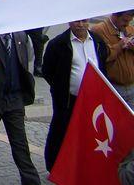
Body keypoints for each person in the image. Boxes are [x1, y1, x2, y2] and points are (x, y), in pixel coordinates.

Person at [0, 31, 41, 185]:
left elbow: (27, 61)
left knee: (20, 144)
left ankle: (31, 181)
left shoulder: (20, 36)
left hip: (14, 97)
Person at [42, 19, 109, 170]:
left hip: (92, 99)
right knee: (61, 130)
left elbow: (103, 65)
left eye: (84, 21)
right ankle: (55, 166)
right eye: (77, 21)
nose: (80, 24)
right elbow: (47, 70)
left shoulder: (97, 41)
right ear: (70, 22)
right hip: (68, 99)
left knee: (88, 132)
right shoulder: (58, 44)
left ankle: (84, 164)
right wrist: (60, 87)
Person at [91, 9, 134, 107]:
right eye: (124, 21)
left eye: (129, 21)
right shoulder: (99, 30)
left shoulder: (130, 29)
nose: (127, 24)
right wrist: (120, 45)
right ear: (115, 16)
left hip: (131, 86)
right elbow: (102, 57)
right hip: (113, 87)